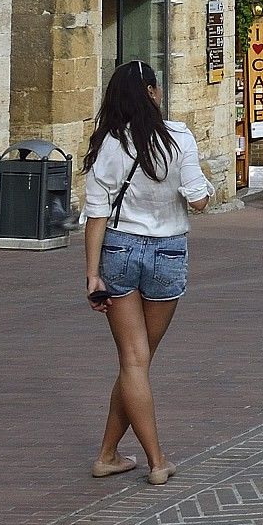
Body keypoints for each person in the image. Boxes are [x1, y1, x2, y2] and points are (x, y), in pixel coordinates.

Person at [81, 60, 212, 485]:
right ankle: (157, 462)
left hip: (119, 249)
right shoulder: (178, 137)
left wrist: (91, 274)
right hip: (167, 251)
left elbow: (96, 215)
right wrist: (204, 188)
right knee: (139, 361)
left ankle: (107, 454)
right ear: (153, 92)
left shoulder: (108, 144)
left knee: (132, 363)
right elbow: (199, 200)